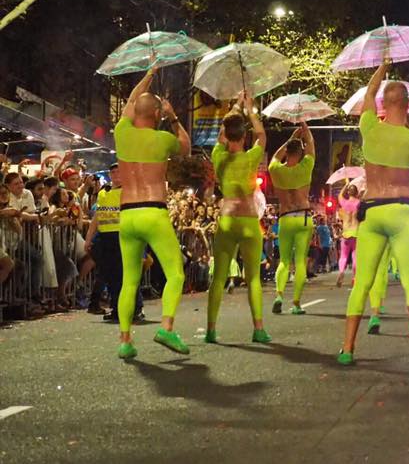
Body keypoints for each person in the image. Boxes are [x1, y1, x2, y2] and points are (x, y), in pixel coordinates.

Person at [339, 58, 409, 366]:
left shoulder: (370, 128)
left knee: (363, 283)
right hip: (400, 212)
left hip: (371, 213)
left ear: (384, 104)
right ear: (408, 105)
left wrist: (383, 68)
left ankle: (347, 349)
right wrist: (406, 126)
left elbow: (369, 95)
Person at [113, 67, 190, 359]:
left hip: (127, 215)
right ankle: (167, 328)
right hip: (153, 212)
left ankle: (124, 340)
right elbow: (186, 146)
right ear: (156, 114)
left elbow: (131, 102)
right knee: (176, 274)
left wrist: (148, 75)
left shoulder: (122, 132)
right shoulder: (162, 139)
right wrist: (172, 117)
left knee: (129, 281)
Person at [205, 92, 271, 343]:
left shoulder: (218, 157)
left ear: (225, 136)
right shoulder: (252, 157)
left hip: (227, 221)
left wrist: (234, 107)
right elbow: (262, 135)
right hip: (249, 222)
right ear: (244, 136)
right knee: (253, 277)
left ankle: (211, 330)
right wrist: (250, 108)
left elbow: (221, 136)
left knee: (219, 277)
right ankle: (258, 329)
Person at [84, 164, 144, 323]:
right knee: (112, 276)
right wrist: (89, 238)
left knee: (127, 275)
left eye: (119, 172)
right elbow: (97, 217)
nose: (116, 174)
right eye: (113, 172)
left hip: (125, 236)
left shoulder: (130, 192)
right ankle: (117, 309)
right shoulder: (104, 193)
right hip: (106, 237)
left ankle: (135, 309)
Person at [268, 122, 316, 315]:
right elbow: (311, 146)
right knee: (300, 261)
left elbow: (274, 157)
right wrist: (306, 132)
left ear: (287, 152)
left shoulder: (276, 170)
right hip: (303, 217)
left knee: (284, 261)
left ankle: (279, 294)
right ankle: (296, 303)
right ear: (301, 153)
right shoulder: (306, 166)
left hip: (286, 218)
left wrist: (290, 139)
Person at [336, 184, 361, 288]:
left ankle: (341, 271)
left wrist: (344, 186)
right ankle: (355, 277)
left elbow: (339, 196)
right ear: (356, 193)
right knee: (355, 256)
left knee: (343, 256)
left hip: (345, 233)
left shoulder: (344, 202)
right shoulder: (359, 203)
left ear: (348, 192)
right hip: (356, 233)